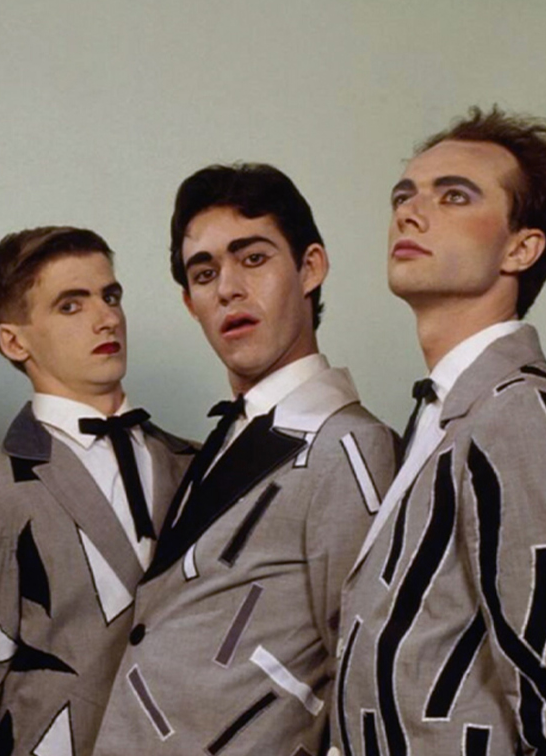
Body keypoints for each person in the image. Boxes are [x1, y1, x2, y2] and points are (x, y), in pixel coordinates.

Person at [95, 163, 396, 756]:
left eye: (252, 258)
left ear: (310, 267)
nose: (228, 287)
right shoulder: (223, 439)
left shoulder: (349, 447)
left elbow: (366, 676)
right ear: (189, 302)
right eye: (204, 273)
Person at [0, 226, 194, 756]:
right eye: (71, 305)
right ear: (14, 340)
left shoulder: (197, 463)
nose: (106, 317)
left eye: (109, 295)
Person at [336, 108, 546, 756]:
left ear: (522, 246)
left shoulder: (520, 416)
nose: (410, 212)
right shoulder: (444, 415)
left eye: (454, 196)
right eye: (404, 195)